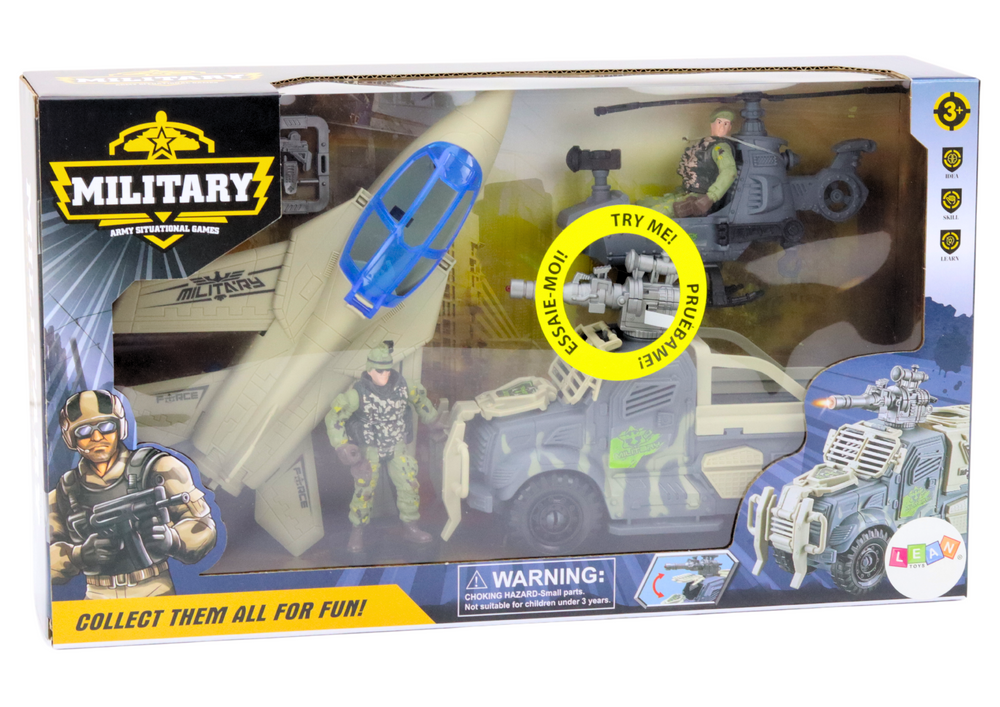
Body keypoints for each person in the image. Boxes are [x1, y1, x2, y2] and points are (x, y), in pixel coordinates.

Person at [48, 390, 217, 599]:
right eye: (84, 431)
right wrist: (78, 555)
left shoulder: (159, 468)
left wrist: (173, 539)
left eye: (106, 427)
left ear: (120, 427)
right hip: (97, 595)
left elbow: (203, 527)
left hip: (154, 588)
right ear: (70, 438)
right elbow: (42, 561)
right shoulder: (65, 490)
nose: (97, 437)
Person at [325, 342, 440, 553]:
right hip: (370, 449)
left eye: (387, 369)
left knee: (409, 484)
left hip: (396, 446)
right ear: (369, 370)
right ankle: (357, 532)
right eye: (379, 370)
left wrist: (433, 421)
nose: (384, 374)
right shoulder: (357, 394)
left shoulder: (404, 387)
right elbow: (334, 417)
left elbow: (421, 401)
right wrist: (341, 445)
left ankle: (411, 527)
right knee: (364, 490)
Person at [638, 107, 738, 218]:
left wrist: (710, 197)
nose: (722, 127)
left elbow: (729, 171)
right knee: (643, 203)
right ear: (712, 124)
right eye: (719, 122)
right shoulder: (705, 143)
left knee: (652, 215)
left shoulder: (721, 147)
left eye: (726, 124)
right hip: (688, 193)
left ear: (730, 127)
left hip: (699, 200)